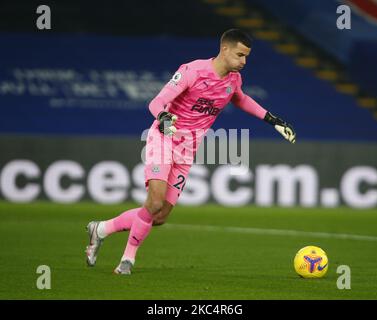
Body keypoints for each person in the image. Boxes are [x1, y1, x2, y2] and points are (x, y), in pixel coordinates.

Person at [85, 29, 296, 275]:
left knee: (161, 215)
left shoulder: (233, 80)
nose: (244, 61)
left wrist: (272, 119)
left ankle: (101, 229)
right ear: (225, 50)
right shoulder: (192, 71)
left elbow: (240, 99)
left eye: (247, 56)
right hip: (164, 139)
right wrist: (164, 117)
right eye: (240, 55)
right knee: (154, 202)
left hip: (188, 149)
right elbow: (156, 102)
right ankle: (127, 261)